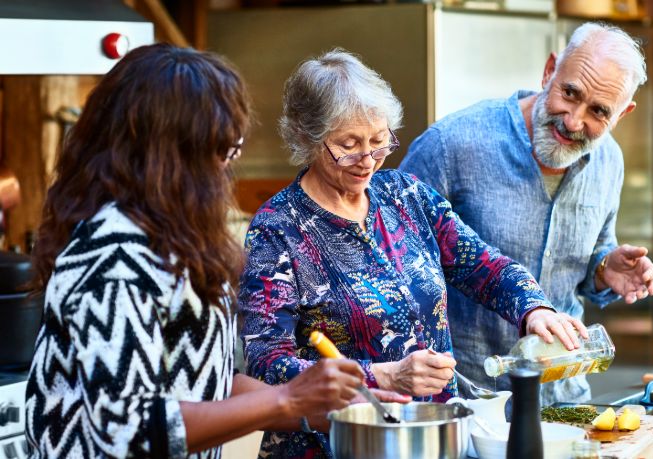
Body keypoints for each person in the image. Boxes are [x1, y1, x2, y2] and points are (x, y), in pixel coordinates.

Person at [24, 44, 397, 459]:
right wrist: (287, 399)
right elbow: (129, 430)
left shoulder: (173, 236)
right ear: (169, 154)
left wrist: (332, 410)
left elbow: (208, 380)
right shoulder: (114, 252)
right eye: (221, 150)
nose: (225, 167)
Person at [238, 48, 589, 458]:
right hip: (335, 445)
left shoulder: (405, 195)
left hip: (430, 440)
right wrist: (383, 377)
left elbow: (484, 266)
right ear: (307, 138)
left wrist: (534, 309)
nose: (368, 160)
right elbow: (266, 363)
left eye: (379, 141)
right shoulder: (277, 228)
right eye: (348, 146)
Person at [400, 22, 653, 405]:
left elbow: (590, 259)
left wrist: (605, 270)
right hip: (470, 398)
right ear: (549, 70)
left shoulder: (610, 162)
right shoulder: (452, 145)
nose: (573, 121)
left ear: (622, 114)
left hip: (563, 398)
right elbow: (390, 261)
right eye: (569, 93)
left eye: (598, 111)